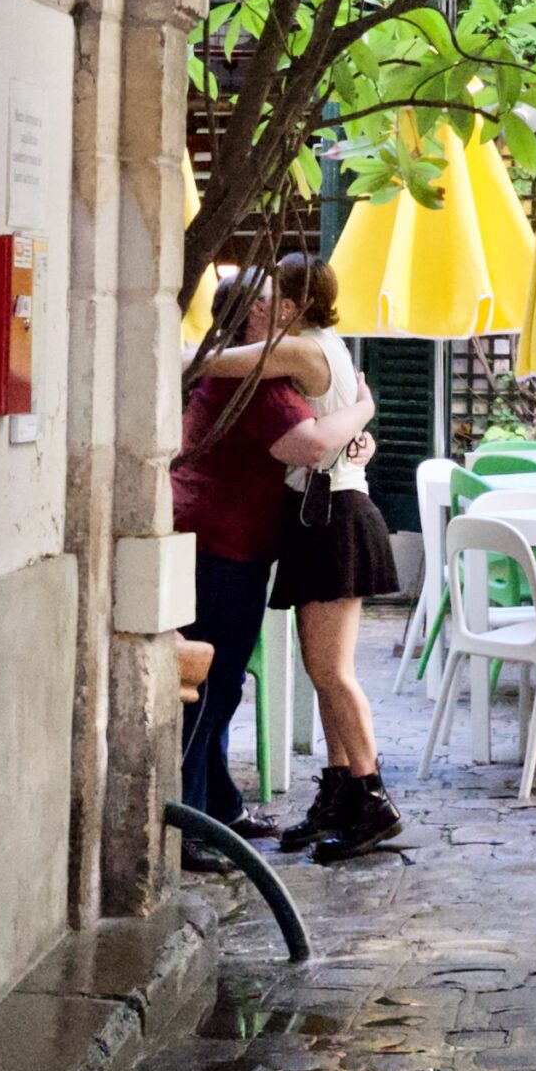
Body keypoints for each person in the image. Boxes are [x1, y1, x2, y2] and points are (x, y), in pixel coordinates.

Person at [171, 273, 375, 874]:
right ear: (252, 320)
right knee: (208, 684)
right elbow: (308, 447)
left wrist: (357, 435)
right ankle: (190, 823)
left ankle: (221, 807)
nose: (281, 310)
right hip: (222, 543)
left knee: (222, 681)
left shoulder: (255, 374)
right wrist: (362, 407)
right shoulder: (259, 385)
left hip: (229, 540)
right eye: (266, 302)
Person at [210, 252, 403, 862]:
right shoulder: (321, 344)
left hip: (334, 519)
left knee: (332, 671)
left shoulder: (300, 348)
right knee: (322, 669)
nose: (264, 306)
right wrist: (362, 414)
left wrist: (362, 414)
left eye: (272, 296)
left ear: (294, 305)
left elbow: (211, 363)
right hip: (320, 516)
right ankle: (340, 792)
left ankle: (372, 797)